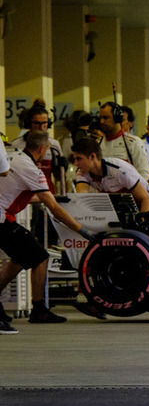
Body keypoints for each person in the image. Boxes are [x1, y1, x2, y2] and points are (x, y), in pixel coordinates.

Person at [0, 131, 98, 332]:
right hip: (2, 219)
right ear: (43, 150)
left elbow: (23, 193)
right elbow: (55, 210)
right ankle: (39, 310)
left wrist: (51, 198)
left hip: (2, 217)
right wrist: (84, 231)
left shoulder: (16, 158)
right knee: (40, 256)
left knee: (20, 258)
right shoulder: (32, 170)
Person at [72, 138, 149, 212]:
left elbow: (146, 199)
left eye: (79, 159)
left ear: (92, 156)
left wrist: (144, 222)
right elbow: (82, 197)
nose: (75, 163)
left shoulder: (118, 169)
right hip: (138, 206)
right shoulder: (82, 172)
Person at [11, 106, 63, 193]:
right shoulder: (17, 144)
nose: (41, 127)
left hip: (47, 192)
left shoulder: (54, 145)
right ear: (29, 123)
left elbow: (59, 177)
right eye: (37, 123)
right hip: (24, 193)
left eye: (44, 123)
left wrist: (62, 167)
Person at [97, 102, 149, 181]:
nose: (102, 121)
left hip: (128, 192)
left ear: (117, 118)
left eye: (106, 118)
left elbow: (144, 174)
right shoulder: (97, 144)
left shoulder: (133, 142)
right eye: (100, 118)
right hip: (104, 192)